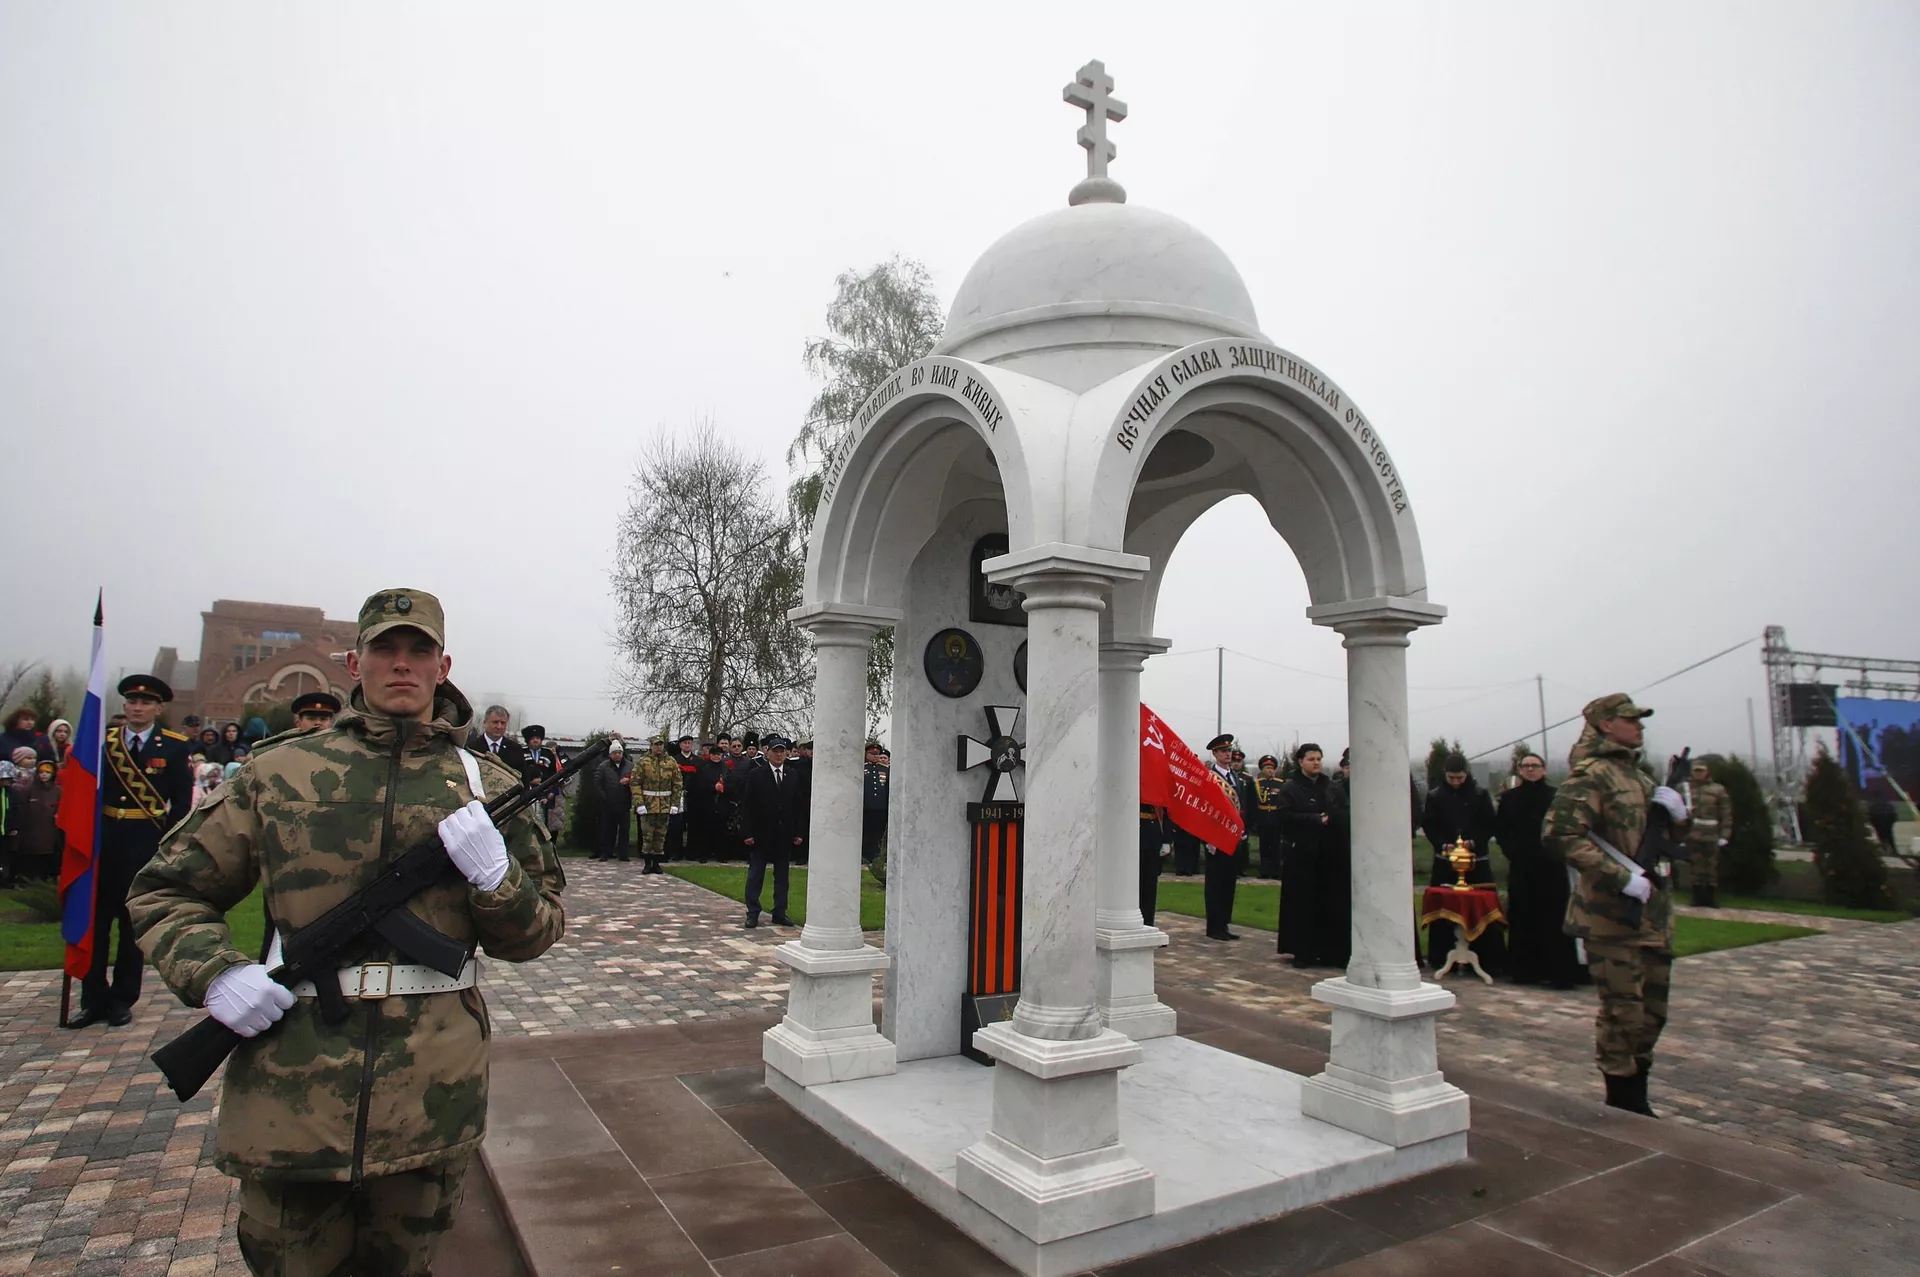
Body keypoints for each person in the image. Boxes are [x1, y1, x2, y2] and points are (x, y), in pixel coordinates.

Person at [129, 587, 563, 1275]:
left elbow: (534, 933)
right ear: (353, 661)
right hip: (291, 1092)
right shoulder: (281, 771)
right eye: (384, 649)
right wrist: (215, 970)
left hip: (430, 1091)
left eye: (418, 650)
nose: (401, 664)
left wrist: (495, 878)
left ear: (442, 665)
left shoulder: (485, 784)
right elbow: (165, 888)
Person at [1543, 693, 1690, 1117]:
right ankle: (1623, 1101)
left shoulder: (1639, 777)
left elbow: (1666, 840)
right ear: (1607, 724)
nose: (1639, 726)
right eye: (1631, 720)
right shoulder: (1592, 775)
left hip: (1653, 915)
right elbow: (1561, 835)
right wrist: (1620, 877)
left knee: (1652, 1012)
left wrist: (1679, 818)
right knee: (1623, 1011)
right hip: (1610, 916)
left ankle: (1638, 1088)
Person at [66, 674, 194, 1029]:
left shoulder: (173, 746)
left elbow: (181, 803)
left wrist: (169, 846)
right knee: (96, 925)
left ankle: (123, 999)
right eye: (132, 701)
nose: (137, 707)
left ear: (158, 708)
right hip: (102, 846)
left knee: (131, 927)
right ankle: (92, 999)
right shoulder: (102, 743)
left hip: (143, 845)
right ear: (124, 705)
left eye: (145, 702)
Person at [1496, 753, 1587, 988]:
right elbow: (1502, 831)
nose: (1530, 770)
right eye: (1525, 766)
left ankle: (1558, 972)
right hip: (1522, 867)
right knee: (1522, 917)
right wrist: (1513, 853)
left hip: (1552, 866)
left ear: (1543, 770)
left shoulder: (1556, 796)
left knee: (1554, 918)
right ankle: (1525, 971)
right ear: (1519, 770)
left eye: (1534, 766)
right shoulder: (1509, 798)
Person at [1420, 753, 1502, 972]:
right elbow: (1429, 824)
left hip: (1475, 860)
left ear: (1467, 774)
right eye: (1451, 778)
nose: (1456, 782)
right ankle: (1440, 956)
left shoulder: (1480, 794)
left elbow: (1490, 823)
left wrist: (1472, 842)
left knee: (1480, 905)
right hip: (1446, 860)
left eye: (1460, 777)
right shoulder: (1436, 796)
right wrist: (1442, 845)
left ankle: (1489, 959)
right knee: (1445, 907)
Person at [1275, 744, 1348, 967]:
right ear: (1300, 761)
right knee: (1302, 905)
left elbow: (1340, 810)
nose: (1316, 762)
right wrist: (1315, 819)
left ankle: (1327, 951)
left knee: (1327, 904)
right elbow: (1285, 817)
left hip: (1327, 854)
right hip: (1301, 853)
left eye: (1319, 758)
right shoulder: (1291, 787)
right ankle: (1302, 951)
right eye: (1311, 759)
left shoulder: (1330, 786)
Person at [740, 736, 804, 927]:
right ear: (767, 752)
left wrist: (799, 832)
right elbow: (748, 806)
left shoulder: (792, 775)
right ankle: (753, 912)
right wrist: (748, 833)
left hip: (784, 835)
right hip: (761, 835)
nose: (778, 754)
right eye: (775, 751)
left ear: (786, 753)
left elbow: (798, 806)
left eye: (781, 751)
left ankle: (780, 912)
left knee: (782, 878)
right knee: (755, 875)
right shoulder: (756, 775)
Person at [1201, 734, 1252, 941]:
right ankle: (1213, 926)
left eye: (1229, 751)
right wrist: (1208, 838)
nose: (1227, 754)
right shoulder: (1209, 777)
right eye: (1223, 751)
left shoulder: (1235, 777)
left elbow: (1241, 806)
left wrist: (1243, 829)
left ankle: (1224, 924)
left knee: (1229, 882)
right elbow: (1205, 808)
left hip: (1234, 835)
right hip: (1216, 836)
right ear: (1214, 754)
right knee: (1215, 882)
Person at [1680, 758, 1732, 907]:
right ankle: (1697, 898)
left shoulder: (1718, 790)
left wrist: (1724, 835)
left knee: (1711, 868)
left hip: (1712, 834)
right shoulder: (1685, 789)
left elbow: (1726, 814)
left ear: (1707, 771)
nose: (1699, 774)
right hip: (1692, 833)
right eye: (1696, 770)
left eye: (1701, 771)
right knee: (1695, 867)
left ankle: (1710, 899)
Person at [631, 734, 684, 875]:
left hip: (664, 805)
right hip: (648, 805)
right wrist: (639, 803)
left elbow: (677, 783)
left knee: (660, 835)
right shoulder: (643, 762)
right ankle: (647, 863)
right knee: (648, 835)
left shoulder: (671, 762)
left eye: (661, 744)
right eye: (656, 744)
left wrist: (675, 803)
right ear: (651, 746)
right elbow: (635, 783)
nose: (659, 747)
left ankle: (656, 863)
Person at [14, 758, 63, 880]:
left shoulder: (58, 791)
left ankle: (45, 877)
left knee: (47, 854)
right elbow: (21, 808)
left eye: (47, 772)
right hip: (30, 830)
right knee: (31, 854)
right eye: (41, 772)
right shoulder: (29, 789)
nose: (44, 775)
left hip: (50, 830)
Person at [592, 740, 632, 862]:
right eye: (615, 753)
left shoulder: (630, 766)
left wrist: (629, 782)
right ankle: (606, 853)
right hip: (608, 803)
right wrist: (603, 797)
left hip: (624, 803)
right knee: (607, 830)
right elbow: (597, 783)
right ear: (610, 754)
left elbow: (636, 780)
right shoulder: (603, 766)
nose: (617, 755)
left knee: (625, 830)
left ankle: (623, 854)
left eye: (619, 752)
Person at [1251, 755, 1286, 879]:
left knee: (1276, 846)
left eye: (1271, 768)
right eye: (1267, 768)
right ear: (1262, 769)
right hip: (1263, 817)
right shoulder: (1257, 784)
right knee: (1264, 846)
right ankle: (1265, 871)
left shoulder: (1281, 784)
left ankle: (1276, 871)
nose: (1269, 770)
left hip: (1276, 818)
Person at [471, 704, 528, 774]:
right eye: (495, 722)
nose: (499, 727)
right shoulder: (471, 748)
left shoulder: (515, 749)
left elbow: (523, 780)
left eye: (503, 723)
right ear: (485, 723)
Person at [1139, 799, 1168, 926]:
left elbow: (1166, 811)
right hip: (1137, 831)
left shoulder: (1157, 787)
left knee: (1150, 883)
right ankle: (1137, 922)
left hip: (1153, 833)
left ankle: (1149, 923)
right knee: (1137, 882)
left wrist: (1167, 839)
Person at [861, 742, 890, 865]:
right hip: (866, 807)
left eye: (877, 754)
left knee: (878, 833)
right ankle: (865, 855)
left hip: (880, 807)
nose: (875, 756)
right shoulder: (863, 769)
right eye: (872, 754)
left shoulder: (885, 770)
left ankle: (875, 855)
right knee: (866, 832)